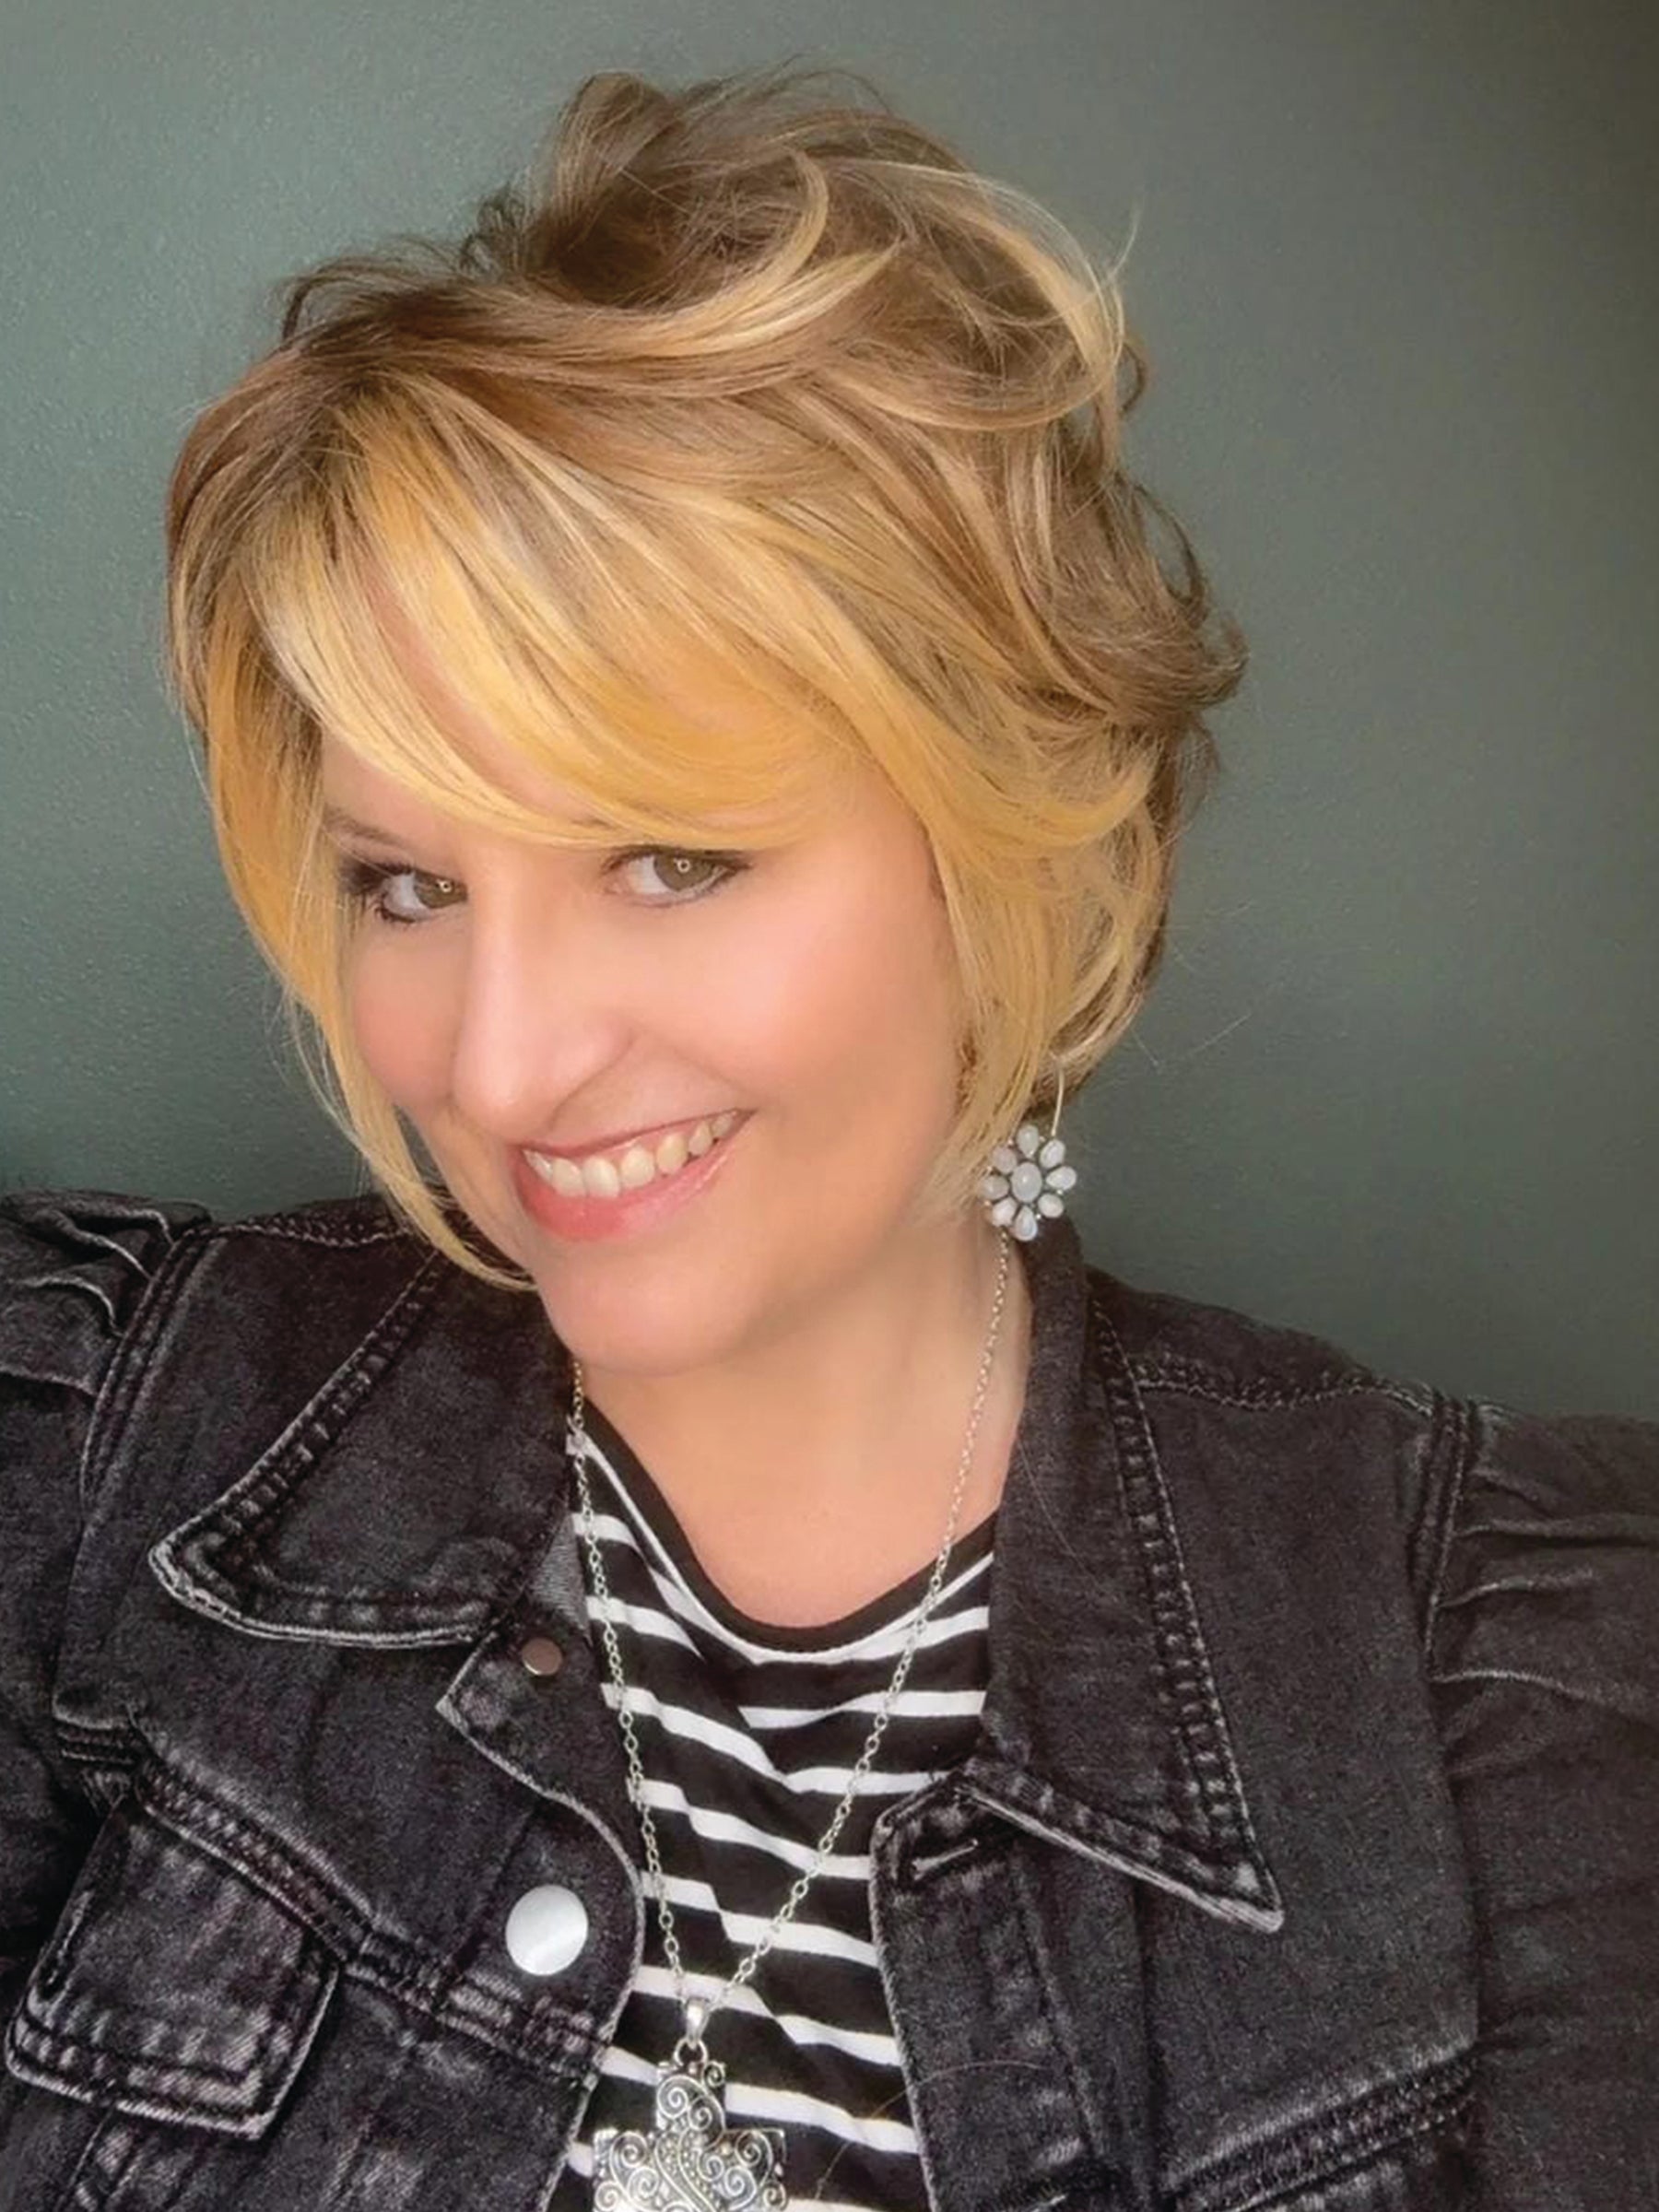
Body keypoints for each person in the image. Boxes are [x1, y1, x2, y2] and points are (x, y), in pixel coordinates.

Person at [1, 57, 1654, 2212]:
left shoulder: (1489, 1682)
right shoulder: (108, 1434)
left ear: (1006, 847)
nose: (500, 1066)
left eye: (672, 860)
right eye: (406, 885)